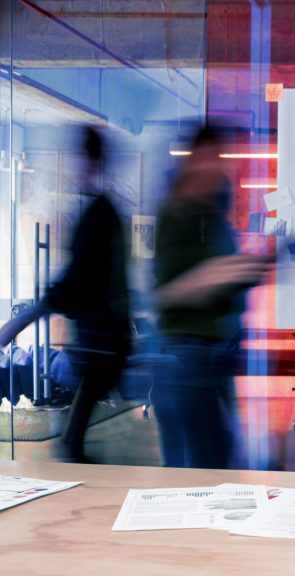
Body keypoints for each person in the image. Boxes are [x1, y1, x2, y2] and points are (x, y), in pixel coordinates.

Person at [0, 126, 131, 463]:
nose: (71, 167)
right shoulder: (102, 212)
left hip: (101, 342)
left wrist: (28, 316)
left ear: (89, 161)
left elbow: (81, 279)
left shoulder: (100, 215)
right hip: (101, 340)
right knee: (74, 436)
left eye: (76, 158)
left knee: (72, 438)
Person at [150, 127, 271, 468]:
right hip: (186, 360)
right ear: (193, 162)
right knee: (194, 472)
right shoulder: (175, 214)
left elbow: (220, 282)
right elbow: (167, 292)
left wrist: (245, 271)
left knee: (218, 464)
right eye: (211, 157)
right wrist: (225, 272)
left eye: (221, 158)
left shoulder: (211, 216)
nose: (218, 167)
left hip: (216, 357)